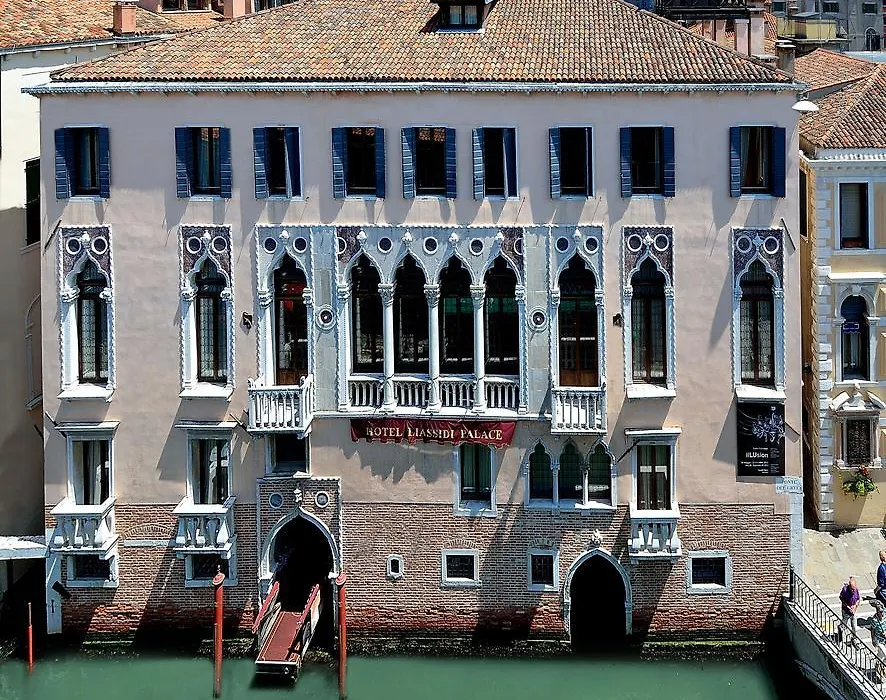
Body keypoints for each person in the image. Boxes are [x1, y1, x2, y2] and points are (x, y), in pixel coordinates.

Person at [840, 576, 861, 647]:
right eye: (852, 589)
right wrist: (848, 607)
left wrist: (855, 606)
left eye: (854, 589)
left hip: (853, 611)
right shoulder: (845, 590)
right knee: (844, 625)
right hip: (846, 611)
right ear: (849, 586)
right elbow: (841, 598)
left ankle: (854, 638)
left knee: (854, 626)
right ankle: (840, 633)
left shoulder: (856, 590)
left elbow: (858, 599)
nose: (853, 591)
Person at [869, 600, 886, 686]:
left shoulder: (885, 616)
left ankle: (878, 664)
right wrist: (873, 640)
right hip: (878, 640)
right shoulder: (874, 620)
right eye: (880, 612)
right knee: (885, 654)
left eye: (882, 611)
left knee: (881, 655)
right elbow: (872, 630)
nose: (882, 613)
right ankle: (882, 668)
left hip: (885, 639)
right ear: (877, 612)